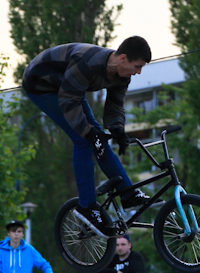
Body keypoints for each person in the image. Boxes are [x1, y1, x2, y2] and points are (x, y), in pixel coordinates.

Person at [21, 37, 151, 236]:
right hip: (41, 84)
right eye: (137, 66)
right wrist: (91, 133)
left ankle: (128, 194)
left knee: (101, 140)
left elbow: (115, 106)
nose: (138, 72)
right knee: (83, 139)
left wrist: (117, 129)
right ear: (123, 58)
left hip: (69, 86)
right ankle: (87, 207)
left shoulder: (122, 74)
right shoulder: (88, 63)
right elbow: (67, 102)